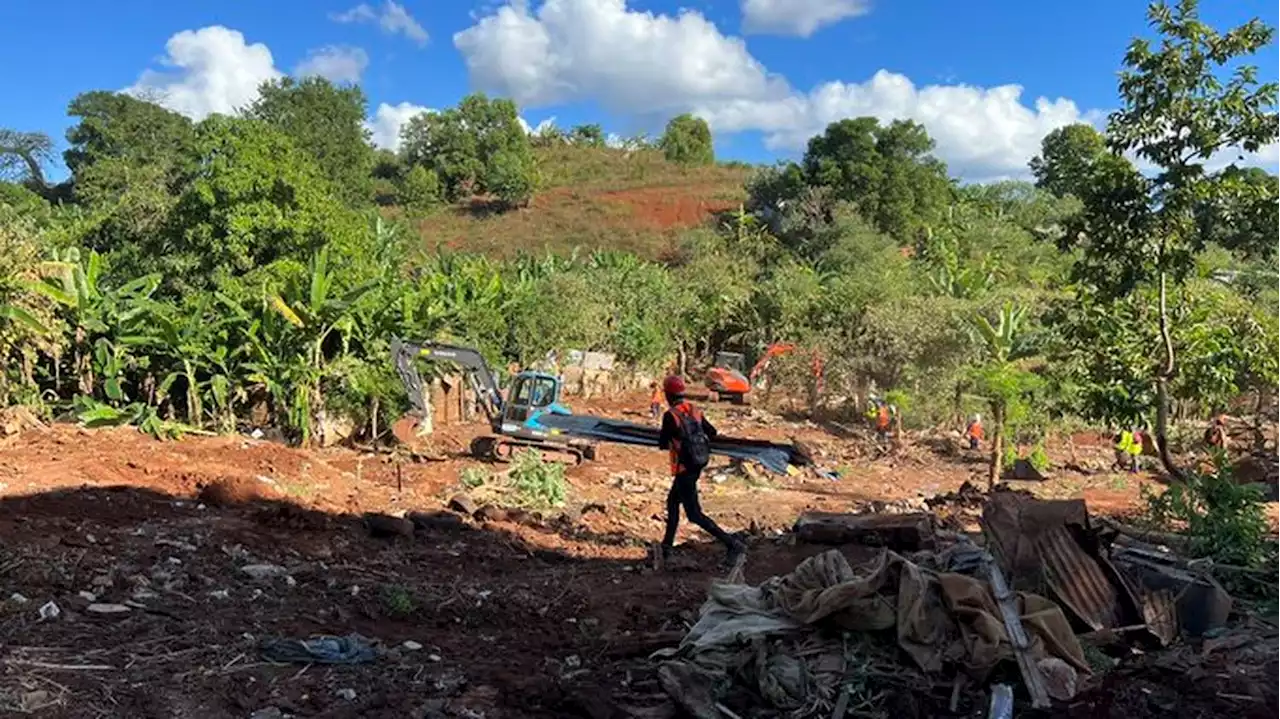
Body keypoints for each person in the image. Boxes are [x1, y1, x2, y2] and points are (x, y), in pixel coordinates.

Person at [657, 375, 746, 567]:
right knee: (672, 502)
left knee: (694, 514)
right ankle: (666, 547)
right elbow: (712, 432)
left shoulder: (670, 415)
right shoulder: (694, 410)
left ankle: (733, 544)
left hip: (683, 469)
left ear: (668, 395)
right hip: (697, 464)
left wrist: (676, 440)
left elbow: (662, 443)